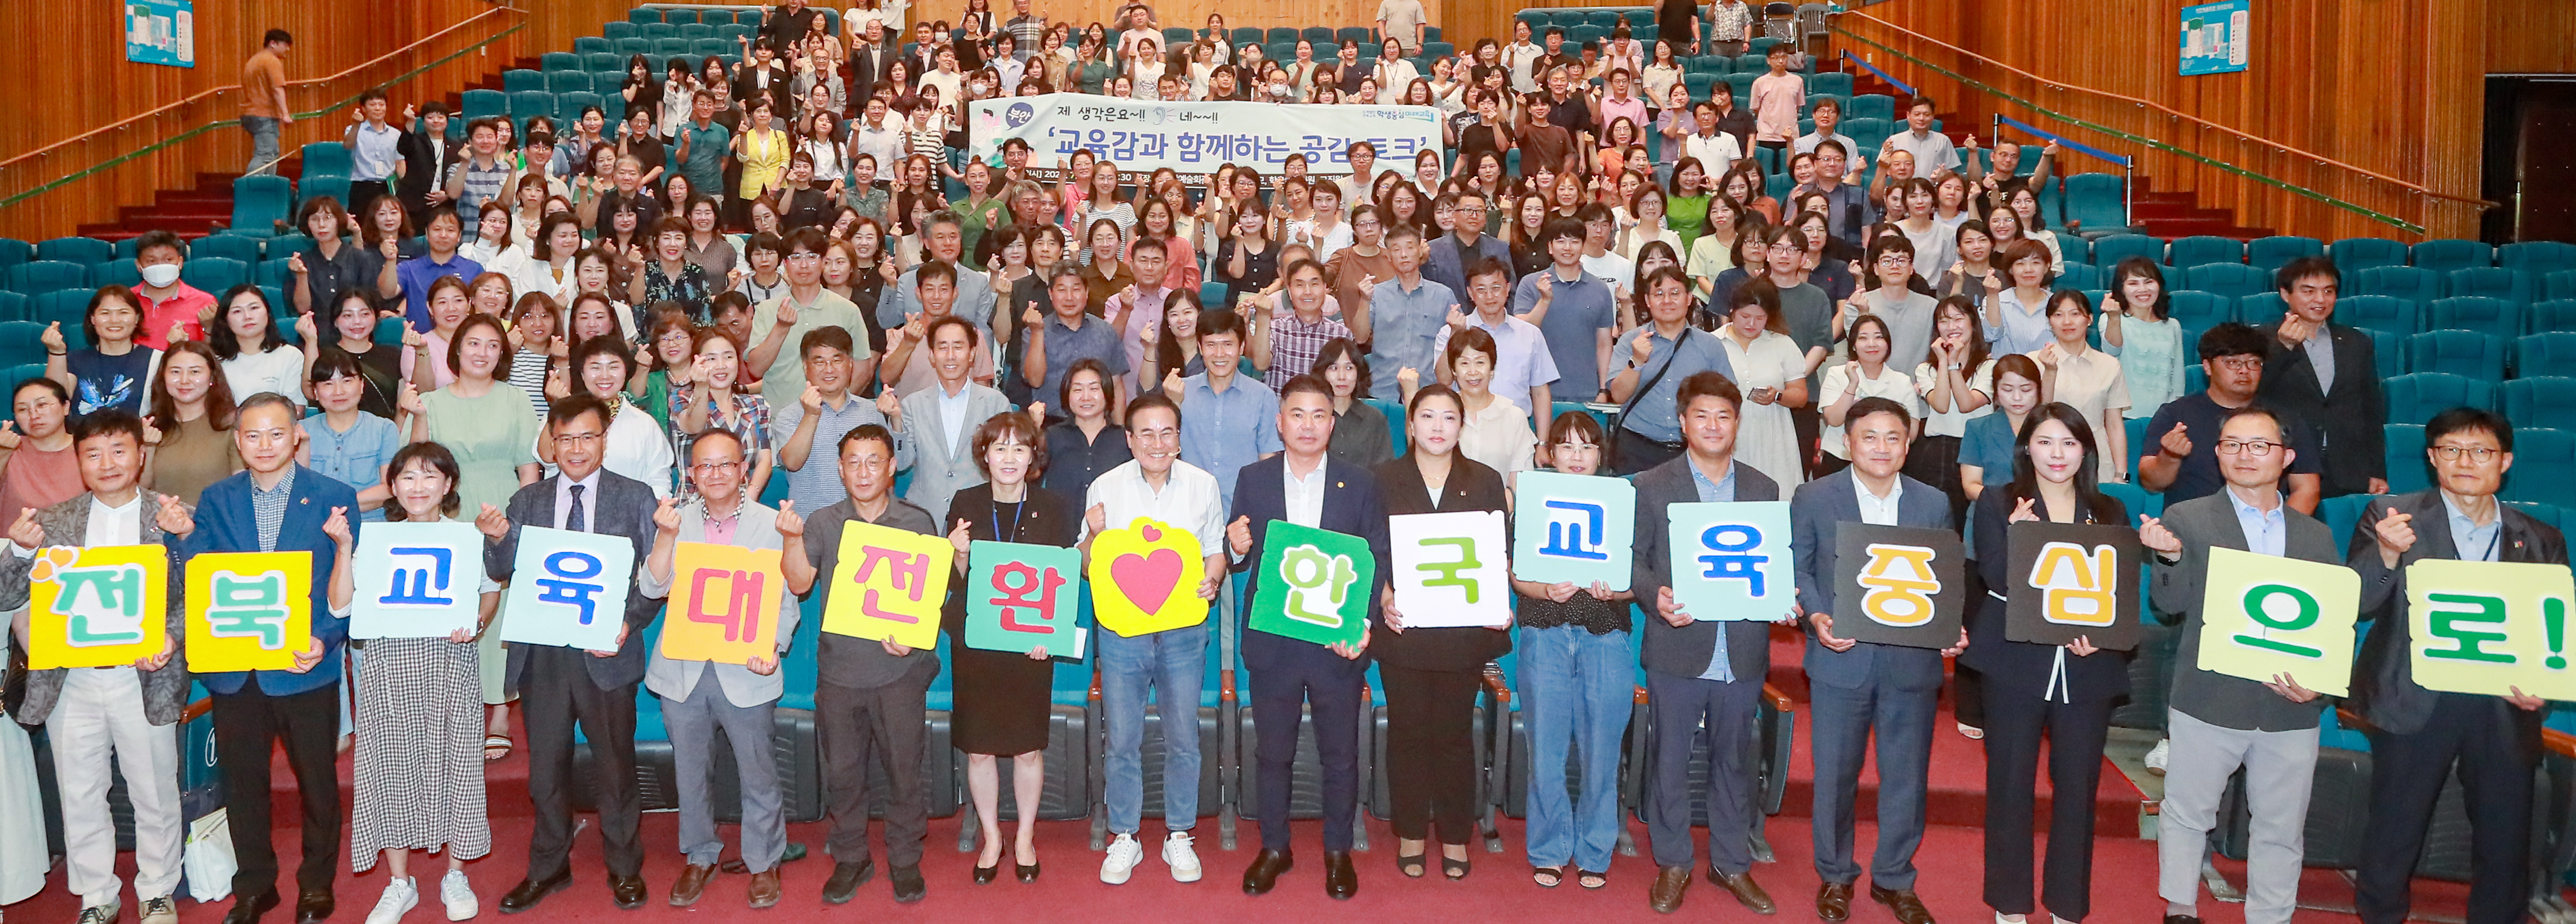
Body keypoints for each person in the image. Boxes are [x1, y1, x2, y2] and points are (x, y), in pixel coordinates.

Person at [2348, 407, 2561, 924]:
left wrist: (2543, 686)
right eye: (2450, 449)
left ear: (2505, 461)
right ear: (2430, 457)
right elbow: (2354, 603)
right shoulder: (2390, 517)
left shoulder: (2540, 537)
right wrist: (2384, 556)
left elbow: (2552, 624)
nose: (2465, 461)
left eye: (2481, 451)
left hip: (2502, 704)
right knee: (2393, 834)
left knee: (2504, 840)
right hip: (2411, 699)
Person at [2137, 405, 2337, 924]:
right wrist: (2166, 559)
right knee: (2187, 811)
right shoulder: (2187, 516)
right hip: (2208, 694)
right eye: (2232, 444)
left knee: (2279, 825)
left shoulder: (2314, 534)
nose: (2244, 455)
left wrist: (2320, 688)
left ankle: (2270, 916)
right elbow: (2171, 605)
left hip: (2289, 704)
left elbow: (2331, 621)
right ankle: (2179, 908)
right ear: (2218, 452)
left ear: (2286, 457)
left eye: (2259, 445)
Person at [476, 395, 666, 913]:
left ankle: (625, 867)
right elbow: (502, 566)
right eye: (565, 439)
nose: (576, 448)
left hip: (607, 649)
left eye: (587, 436)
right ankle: (548, 865)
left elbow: (656, 575)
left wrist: (629, 623)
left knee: (615, 767)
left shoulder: (635, 497)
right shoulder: (529, 501)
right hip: (543, 656)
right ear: (551, 444)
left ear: (604, 439)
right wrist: (496, 540)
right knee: (545, 771)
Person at [0, 409, 189, 924]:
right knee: (80, 790)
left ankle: (157, 889)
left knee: (153, 788)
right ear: (79, 460)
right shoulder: (52, 520)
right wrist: (18, 549)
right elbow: (7, 595)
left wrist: (170, 638)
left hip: (143, 675)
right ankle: (96, 894)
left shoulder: (170, 515)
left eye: (119, 449)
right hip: (73, 678)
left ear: (140, 453)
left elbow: (196, 594)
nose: (107, 463)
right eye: (93, 453)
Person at [178, 392, 358, 924]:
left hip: (306, 665)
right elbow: (202, 574)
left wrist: (326, 638)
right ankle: (255, 885)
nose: (264, 444)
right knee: (244, 783)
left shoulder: (334, 495)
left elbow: (344, 586)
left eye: (275, 433)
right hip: (236, 670)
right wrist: (184, 536)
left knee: (317, 782)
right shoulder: (215, 497)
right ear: (237, 440)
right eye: (252, 435)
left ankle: (316, 882)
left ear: (296, 435)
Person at [1792, 396, 1960, 924]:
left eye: (1893, 437)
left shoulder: (1932, 502)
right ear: (1848, 443)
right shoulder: (1814, 496)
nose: (1881, 447)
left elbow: (1943, 579)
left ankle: (1894, 877)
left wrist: (1949, 625)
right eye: (1869, 436)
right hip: (1840, 658)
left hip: (1910, 664)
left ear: (1908, 445)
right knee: (1835, 775)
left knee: (1906, 777)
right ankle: (1835, 875)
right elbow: (1798, 569)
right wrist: (1816, 617)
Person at [1963, 402, 2129, 924]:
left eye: (2069, 443)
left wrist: (2101, 639)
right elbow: (1994, 579)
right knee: (2009, 780)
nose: (2056, 454)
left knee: (2078, 787)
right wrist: (2017, 533)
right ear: (2026, 448)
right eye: (2044, 442)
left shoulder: (2107, 511)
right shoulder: (1996, 501)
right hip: (2014, 662)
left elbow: (2115, 591)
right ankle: (2009, 902)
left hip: (2086, 668)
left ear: (2085, 450)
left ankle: (2066, 904)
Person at [1627, 372, 1787, 912]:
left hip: (1740, 648)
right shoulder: (1650, 484)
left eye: (1723, 415)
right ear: (1682, 422)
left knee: (1732, 759)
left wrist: (1781, 594)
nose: (1712, 425)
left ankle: (1729, 863)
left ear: (1736, 423)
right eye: (1701, 415)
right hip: (1678, 644)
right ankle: (1673, 862)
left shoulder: (1763, 489)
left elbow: (1772, 564)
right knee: (1670, 758)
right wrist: (1655, 595)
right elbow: (1631, 558)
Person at [1226, 374, 1386, 899]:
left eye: (1319, 415)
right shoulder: (1253, 477)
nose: (1308, 425)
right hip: (1273, 640)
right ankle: (1275, 846)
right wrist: (1233, 546)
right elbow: (1240, 556)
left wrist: (1361, 627)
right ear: (1280, 422)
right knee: (1273, 752)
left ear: (1332, 423)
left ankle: (1338, 851)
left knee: (1339, 753)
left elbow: (1375, 560)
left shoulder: (1359, 482)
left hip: (1334, 642)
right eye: (1297, 414)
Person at [638, 428, 802, 909]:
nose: (714, 474)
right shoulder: (674, 520)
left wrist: (773, 643)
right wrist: (665, 536)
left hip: (747, 668)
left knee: (759, 771)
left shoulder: (774, 524)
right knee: (690, 771)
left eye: (725, 465)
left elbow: (787, 595)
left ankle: (764, 860)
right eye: (704, 466)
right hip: (682, 669)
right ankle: (700, 853)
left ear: (743, 470)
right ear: (690, 473)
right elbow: (652, 586)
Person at [787, 422, 940, 905]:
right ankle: (851, 856)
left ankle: (904, 858)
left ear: (892, 466)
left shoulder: (917, 522)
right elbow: (798, 584)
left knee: (904, 770)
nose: (863, 470)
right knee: (843, 772)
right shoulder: (823, 522)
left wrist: (912, 644)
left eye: (874, 460)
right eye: (853, 461)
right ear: (840, 468)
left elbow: (930, 601)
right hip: (839, 673)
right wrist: (791, 539)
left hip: (899, 673)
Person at [1083, 392, 1225, 887]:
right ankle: (1124, 834)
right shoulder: (1104, 486)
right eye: (1146, 432)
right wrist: (1093, 537)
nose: (1157, 442)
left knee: (1183, 735)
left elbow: (1214, 550)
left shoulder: (1203, 485)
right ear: (1129, 439)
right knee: (1121, 737)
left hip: (1186, 629)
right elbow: (1087, 565)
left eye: (1167, 432)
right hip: (1122, 634)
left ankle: (1179, 832)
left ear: (1180, 438)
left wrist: (1212, 579)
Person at [1371, 383, 1511, 881]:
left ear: (1461, 425)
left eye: (1448, 417)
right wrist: (1383, 596)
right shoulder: (1382, 479)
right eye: (1426, 417)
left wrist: (1500, 603)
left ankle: (1455, 835)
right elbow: (1371, 551)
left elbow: (1500, 554)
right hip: (1403, 631)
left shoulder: (1487, 481)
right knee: (1407, 735)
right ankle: (1410, 832)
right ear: (1409, 426)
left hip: (1461, 634)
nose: (1436, 426)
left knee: (1454, 736)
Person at [349, 441, 493, 924]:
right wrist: (343, 547)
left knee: (458, 765)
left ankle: (455, 874)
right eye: (407, 477)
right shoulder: (376, 540)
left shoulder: (466, 538)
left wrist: (473, 621)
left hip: (449, 662)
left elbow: (488, 596)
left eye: (430, 476)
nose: (418, 486)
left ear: (449, 485)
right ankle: (399, 883)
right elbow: (346, 604)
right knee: (390, 767)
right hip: (389, 666)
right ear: (392, 486)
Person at [937, 411, 1071, 884]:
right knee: (978, 750)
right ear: (984, 456)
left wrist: (1048, 636)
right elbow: (953, 583)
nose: (1009, 457)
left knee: (1027, 749)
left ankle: (1025, 837)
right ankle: (992, 836)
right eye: (999, 448)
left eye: (1019, 448)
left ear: (1033, 456)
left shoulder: (1054, 506)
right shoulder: (965, 502)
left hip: (1030, 646)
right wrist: (956, 553)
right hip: (976, 641)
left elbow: (1061, 580)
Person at [1504, 410, 1632, 894]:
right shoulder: (1533, 499)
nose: (1577, 456)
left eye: (1587, 447)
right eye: (1567, 446)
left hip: (1605, 634)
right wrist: (1541, 590)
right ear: (1549, 453)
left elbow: (1637, 576)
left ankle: (1596, 849)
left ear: (1601, 455)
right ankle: (1550, 848)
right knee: (1547, 748)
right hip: (1545, 631)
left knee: (1602, 750)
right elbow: (1516, 574)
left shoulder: (1623, 500)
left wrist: (1615, 592)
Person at [2138, 323, 2325, 513]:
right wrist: (2170, 457)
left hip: (2264, 529)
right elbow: (2151, 483)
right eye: (2233, 362)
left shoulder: (2285, 419)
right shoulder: (2176, 415)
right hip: (2192, 530)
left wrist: (2276, 531)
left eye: (2254, 363)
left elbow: (2307, 490)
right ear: (2207, 367)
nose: (2244, 371)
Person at [2256, 257, 2387, 498]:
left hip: (2347, 468)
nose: (2320, 300)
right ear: (2285, 294)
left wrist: (2377, 471)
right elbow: (2251, 394)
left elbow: (2371, 411)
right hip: (2287, 465)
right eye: (2309, 291)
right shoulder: (2261, 340)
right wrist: (2282, 348)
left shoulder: (2357, 343)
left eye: (2329, 291)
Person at [1607, 266, 1735, 474]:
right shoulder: (1630, 341)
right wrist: (1637, 361)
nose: (1667, 301)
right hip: (1637, 449)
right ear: (1648, 301)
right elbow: (1619, 396)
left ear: (1689, 299)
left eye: (1675, 293)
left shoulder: (1710, 345)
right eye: (1659, 294)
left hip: (1693, 451)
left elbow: (1727, 401)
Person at [890, 314, 1014, 517]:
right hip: (924, 512)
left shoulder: (996, 403)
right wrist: (896, 420)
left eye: (958, 347)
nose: (950, 356)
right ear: (932, 355)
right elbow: (902, 463)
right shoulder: (912, 404)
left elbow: (1005, 462)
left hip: (979, 511)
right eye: (942, 347)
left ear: (972, 353)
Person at [773, 326, 899, 513]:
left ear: (850, 365)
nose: (829, 369)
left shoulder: (872, 412)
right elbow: (792, 462)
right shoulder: (790, 415)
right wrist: (811, 415)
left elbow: (894, 467)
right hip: (810, 525)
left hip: (865, 525)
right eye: (819, 362)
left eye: (837, 360)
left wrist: (896, 418)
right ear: (806, 367)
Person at [1167, 309, 1281, 514]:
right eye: (1211, 345)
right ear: (1200, 348)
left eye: (1228, 345)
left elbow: (1268, 464)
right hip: (1186, 509)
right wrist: (1173, 406)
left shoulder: (1263, 397)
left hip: (1243, 512)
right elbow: (1165, 453)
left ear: (1242, 347)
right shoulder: (1179, 391)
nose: (1219, 354)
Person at [749, 227, 874, 410]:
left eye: (812, 257)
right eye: (796, 258)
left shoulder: (848, 310)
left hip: (834, 419)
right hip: (781, 419)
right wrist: (781, 328)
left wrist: (838, 408)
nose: (804, 265)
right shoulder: (766, 310)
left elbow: (862, 370)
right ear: (785, 263)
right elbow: (755, 369)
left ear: (823, 262)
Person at [1713, 278, 1812, 487]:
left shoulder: (1782, 343)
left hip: (1773, 436)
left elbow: (1801, 396)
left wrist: (1777, 395)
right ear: (1732, 311)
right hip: (1728, 434)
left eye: (1760, 318)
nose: (1752, 324)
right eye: (1745, 316)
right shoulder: (1713, 343)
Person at [1508, 218, 1612, 404]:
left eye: (1574, 242)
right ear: (1550, 247)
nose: (1567, 248)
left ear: (1583, 247)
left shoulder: (1600, 289)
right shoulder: (1531, 284)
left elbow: (1604, 344)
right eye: (1561, 241)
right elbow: (1521, 333)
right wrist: (1544, 300)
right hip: (1538, 392)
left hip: (1588, 393)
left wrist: (1604, 389)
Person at [2028, 290, 2128, 484]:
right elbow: (2034, 417)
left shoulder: (2109, 365)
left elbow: (2115, 424)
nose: (2067, 322)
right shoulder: (2033, 362)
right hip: (2049, 456)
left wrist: (2121, 474)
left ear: (2090, 319)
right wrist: (2049, 372)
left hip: (2097, 456)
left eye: (2075, 314)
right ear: (2049, 322)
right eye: (2058, 315)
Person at [1352, 223, 1456, 401]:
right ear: (1389, 257)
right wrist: (1364, 300)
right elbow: (1360, 338)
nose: (1404, 254)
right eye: (1396, 249)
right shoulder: (1376, 294)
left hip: (1428, 392)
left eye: (1409, 247)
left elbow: (1457, 346)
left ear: (1420, 251)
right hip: (1382, 390)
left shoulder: (1443, 295)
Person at [296, 353, 402, 522]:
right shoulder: (301, 431)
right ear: (315, 392)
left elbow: (390, 488)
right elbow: (297, 491)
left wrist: (336, 506)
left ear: (361, 385)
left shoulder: (384, 429)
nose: (339, 391)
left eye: (347, 381)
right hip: (315, 526)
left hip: (370, 526)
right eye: (328, 384)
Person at [1818, 314, 1926, 477]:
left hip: (1885, 462)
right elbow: (1833, 419)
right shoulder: (1837, 374)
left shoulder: (1902, 381)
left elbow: (1911, 433)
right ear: (1853, 345)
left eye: (1878, 337)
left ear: (1888, 344)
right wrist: (1852, 385)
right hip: (1840, 459)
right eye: (1863, 338)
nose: (1871, 344)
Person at [142, 341, 244, 506]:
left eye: (195, 372)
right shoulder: (149, 426)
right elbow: (139, 491)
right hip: (161, 526)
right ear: (163, 377)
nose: (184, 380)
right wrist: (148, 447)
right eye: (175, 372)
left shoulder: (232, 423)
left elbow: (242, 488)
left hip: (215, 525)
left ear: (212, 377)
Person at [1023, 262, 1130, 416]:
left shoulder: (1106, 331)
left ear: (1086, 292)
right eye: (1062, 290)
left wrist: (1119, 431)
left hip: (1099, 424)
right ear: (1050, 293)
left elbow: (1117, 385)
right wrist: (1038, 333)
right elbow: (1035, 381)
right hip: (1053, 425)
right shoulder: (1033, 332)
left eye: (1076, 289)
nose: (1069, 297)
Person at [51, 286, 162, 420]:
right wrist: (56, 353)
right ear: (93, 319)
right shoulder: (76, 359)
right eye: (105, 313)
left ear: (137, 318)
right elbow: (56, 401)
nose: (114, 320)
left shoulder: (157, 359)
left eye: (123, 313)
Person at [2099, 257, 2184, 418]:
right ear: (2121, 289)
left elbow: (2178, 379)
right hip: (2122, 415)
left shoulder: (2173, 326)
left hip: (2164, 417)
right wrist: (2114, 318)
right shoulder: (2111, 319)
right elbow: (2112, 351)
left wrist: (2175, 413)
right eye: (2133, 284)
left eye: (2149, 282)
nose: (2143, 289)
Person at [1248, 259, 1350, 385]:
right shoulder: (1275, 329)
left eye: (1314, 284)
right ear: (1290, 292)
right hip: (1281, 403)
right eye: (1300, 285)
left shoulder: (1342, 335)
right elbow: (1260, 364)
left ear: (1325, 288)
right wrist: (1263, 318)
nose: (1308, 292)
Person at [0, 378, 82, 527]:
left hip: (78, 545)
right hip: (13, 546)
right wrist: (3, 454)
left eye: (42, 405)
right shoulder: (6, 448)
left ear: (66, 407)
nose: (34, 416)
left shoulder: (88, 448)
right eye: (23, 409)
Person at [1041, 359, 1129, 496]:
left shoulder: (1125, 439)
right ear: (1067, 395)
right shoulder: (1052, 436)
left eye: (1094, 388)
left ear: (1107, 393)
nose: (1086, 397)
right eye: (1078, 390)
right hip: (1061, 517)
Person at [209, 286, 305, 410]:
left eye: (254, 308)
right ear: (225, 320)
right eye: (237, 311)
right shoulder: (214, 359)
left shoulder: (290, 356)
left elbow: (297, 411)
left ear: (268, 312)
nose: (247, 316)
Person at [1422, 189, 1512, 311]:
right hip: (1449, 323)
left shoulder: (1499, 248)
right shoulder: (1433, 250)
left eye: (1480, 211)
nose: (1474, 216)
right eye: (1468, 210)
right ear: (1454, 216)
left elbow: (1511, 292)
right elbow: (1428, 294)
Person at [128, 231, 216, 351]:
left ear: (180, 262)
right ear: (139, 265)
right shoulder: (126, 300)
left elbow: (215, 354)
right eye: (151, 261)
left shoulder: (205, 302)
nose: (160, 266)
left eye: (168, 259)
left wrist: (210, 328)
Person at [1313, 339, 1394, 469]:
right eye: (1334, 368)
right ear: (1322, 373)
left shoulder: (1374, 418)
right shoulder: (1312, 417)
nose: (1342, 376)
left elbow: (1385, 470)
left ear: (1359, 373)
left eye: (1349, 368)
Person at [242, 30, 294, 175]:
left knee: (272, 154)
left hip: (250, 113)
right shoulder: (272, 61)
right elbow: (278, 89)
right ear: (273, 44)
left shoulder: (253, 61)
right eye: (285, 45)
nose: (287, 49)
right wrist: (285, 114)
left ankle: (268, 189)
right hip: (264, 115)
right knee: (266, 155)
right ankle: (248, 189)